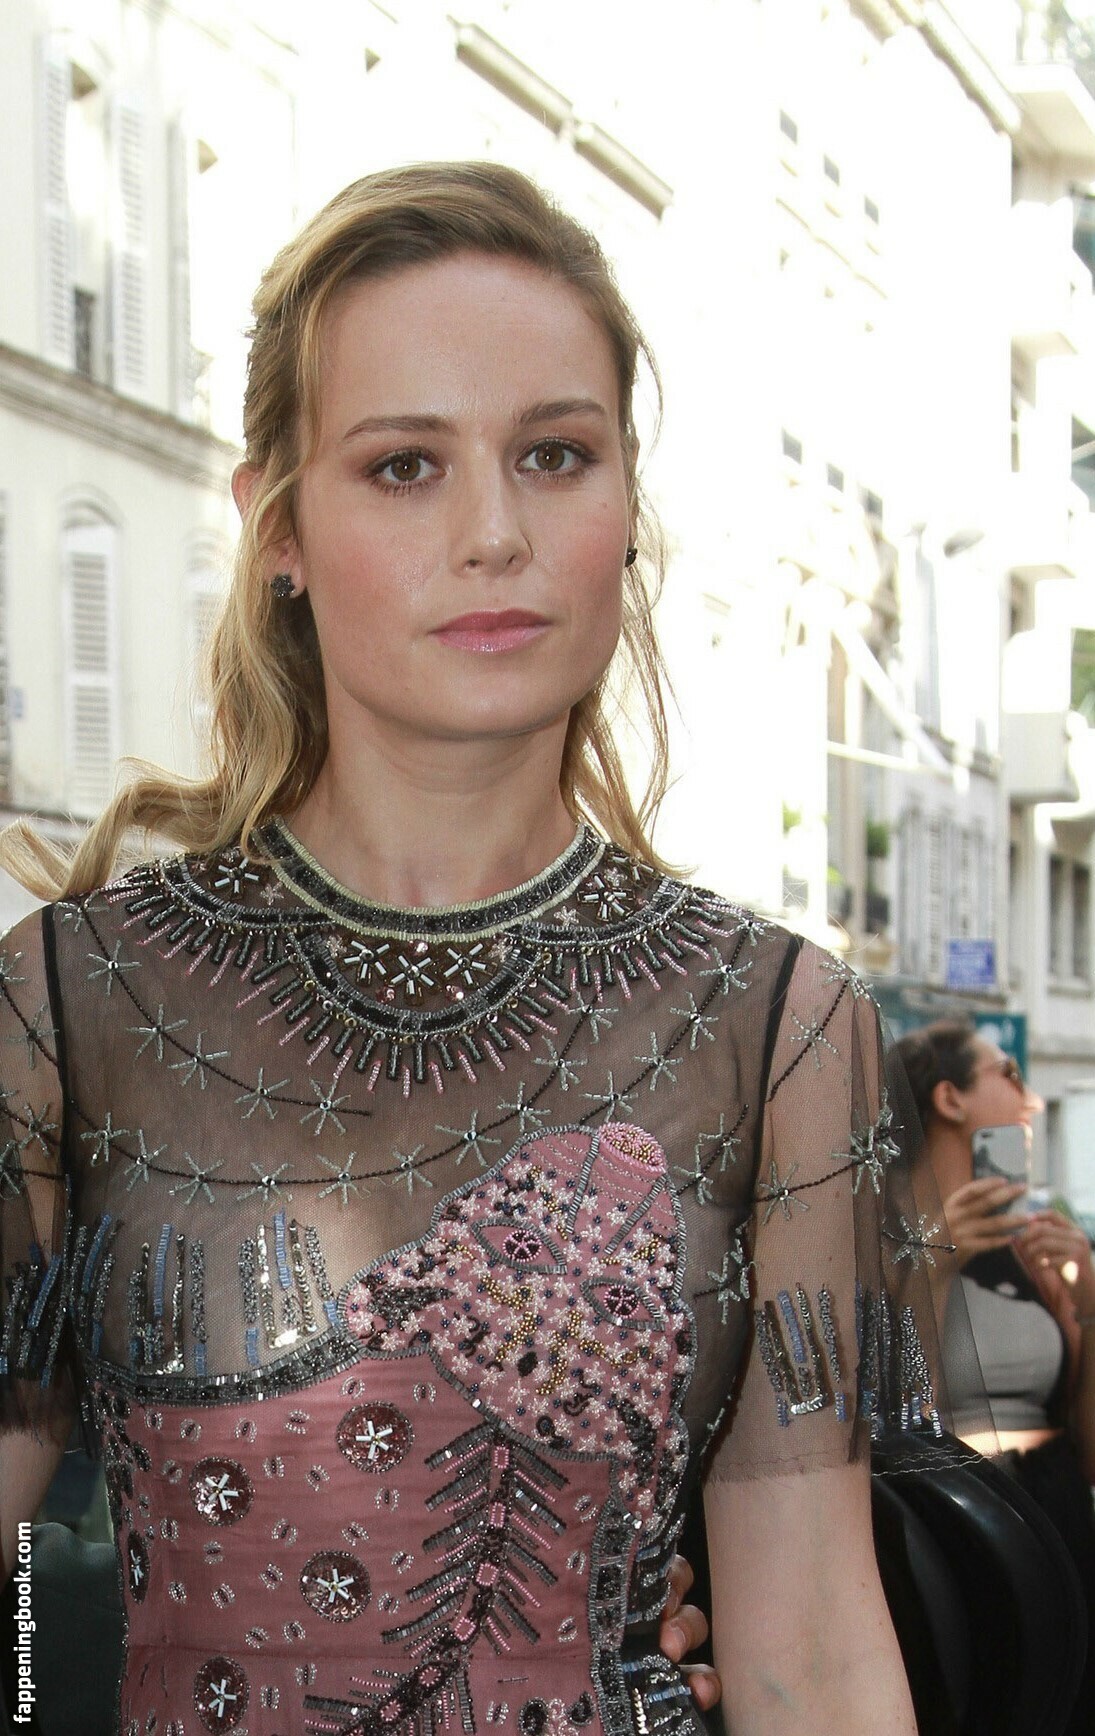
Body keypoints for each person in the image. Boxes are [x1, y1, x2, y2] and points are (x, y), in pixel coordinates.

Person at [0, 161, 944, 1736]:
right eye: (403, 467)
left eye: (553, 455)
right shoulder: (70, 1001)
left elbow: (810, 1648)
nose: (493, 534)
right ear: (277, 528)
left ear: (625, 507)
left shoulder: (773, 1021)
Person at [893, 1019, 1095, 1735]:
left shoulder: (1033, 1247)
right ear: (949, 1098)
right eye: (1007, 1075)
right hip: (950, 1538)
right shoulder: (882, 1239)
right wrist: (931, 1265)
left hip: (1055, 1527)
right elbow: (894, 1419)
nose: (1030, 1100)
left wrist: (1090, 1306)